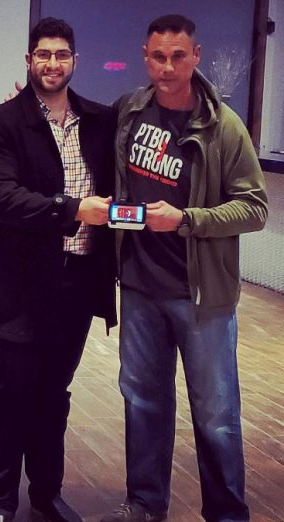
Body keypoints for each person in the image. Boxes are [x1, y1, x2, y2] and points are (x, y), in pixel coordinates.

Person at [101, 14, 268, 522]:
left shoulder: (225, 127)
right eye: (158, 56)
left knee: (217, 417)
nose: (167, 67)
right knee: (142, 404)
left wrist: (187, 220)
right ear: (145, 56)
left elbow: (255, 208)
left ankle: (226, 513)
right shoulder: (130, 110)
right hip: (138, 288)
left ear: (195, 56)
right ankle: (145, 506)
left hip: (201, 296)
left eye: (178, 56)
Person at [0, 17, 117, 522]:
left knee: (54, 395)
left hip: (77, 283)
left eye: (61, 54)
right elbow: (0, 196)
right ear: (29, 61)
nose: (52, 63)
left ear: (75, 61)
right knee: (11, 394)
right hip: (18, 284)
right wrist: (73, 209)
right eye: (43, 54)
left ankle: (46, 496)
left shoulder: (100, 122)